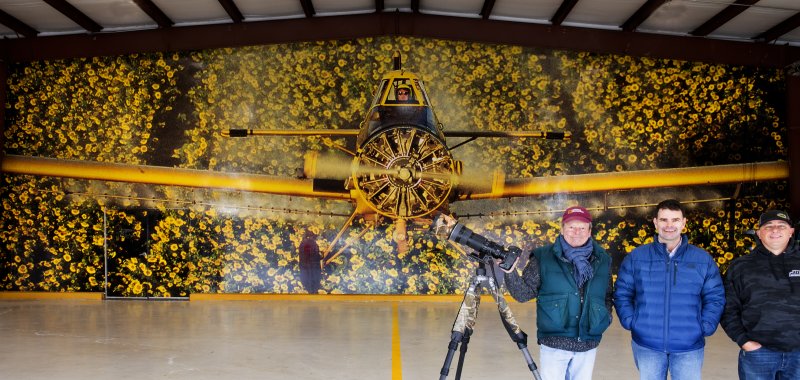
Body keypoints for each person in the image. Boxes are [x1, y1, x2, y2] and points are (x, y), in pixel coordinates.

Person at [614, 199, 725, 380]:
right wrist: (631, 321)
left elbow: (715, 296)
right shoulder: (636, 257)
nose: (669, 225)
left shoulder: (702, 259)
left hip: (689, 346)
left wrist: (704, 326)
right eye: (664, 220)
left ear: (683, 222)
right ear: (655, 223)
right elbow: (622, 293)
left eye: (675, 220)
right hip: (647, 345)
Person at [502, 206, 613, 380]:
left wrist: (604, 319)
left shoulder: (603, 259)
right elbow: (522, 294)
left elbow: (606, 295)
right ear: (562, 229)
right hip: (554, 344)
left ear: (590, 231)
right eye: (571, 227)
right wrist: (510, 272)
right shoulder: (543, 257)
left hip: (587, 342)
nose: (576, 232)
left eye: (582, 227)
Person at [720, 210, 800, 379]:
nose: (775, 230)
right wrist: (744, 341)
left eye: (781, 226)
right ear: (758, 233)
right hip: (758, 353)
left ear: (791, 231)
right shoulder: (740, 267)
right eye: (768, 226)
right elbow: (728, 308)